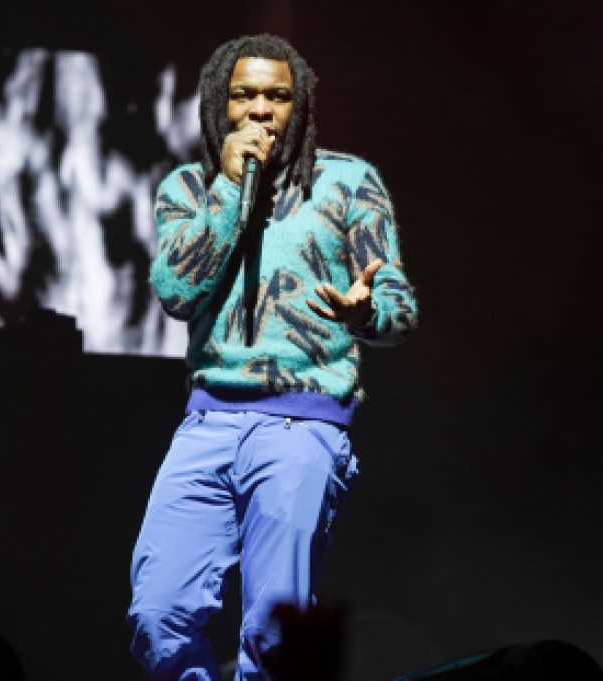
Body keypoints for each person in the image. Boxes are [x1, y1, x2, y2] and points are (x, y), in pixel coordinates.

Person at [127, 34, 417, 680]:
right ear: (218, 105)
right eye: (245, 95)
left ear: (301, 106)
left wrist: (364, 313)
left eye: (278, 96)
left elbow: (399, 309)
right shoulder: (187, 188)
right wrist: (231, 188)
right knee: (157, 611)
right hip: (205, 426)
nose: (261, 110)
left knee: (275, 631)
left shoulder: (348, 181)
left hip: (303, 426)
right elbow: (176, 292)